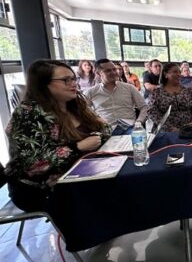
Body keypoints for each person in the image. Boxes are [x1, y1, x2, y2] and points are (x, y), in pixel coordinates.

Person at [4, 59, 110, 212]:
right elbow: (31, 164)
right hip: (38, 189)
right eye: (65, 80)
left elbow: (105, 128)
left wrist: (95, 138)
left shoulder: (74, 103)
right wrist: (78, 147)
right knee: (110, 192)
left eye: (73, 78)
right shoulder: (28, 113)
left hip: (79, 174)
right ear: (43, 84)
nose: (73, 83)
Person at [85, 59, 148, 133]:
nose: (113, 72)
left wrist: (138, 122)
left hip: (130, 128)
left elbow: (144, 107)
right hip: (106, 131)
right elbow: (83, 113)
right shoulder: (91, 92)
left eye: (114, 69)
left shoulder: (129, 88)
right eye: (108, 71)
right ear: (98, 73)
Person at [149, 62, 192, 132]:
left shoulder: (188, 90)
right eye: (175, 72)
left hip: (189, 129)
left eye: (179, 72)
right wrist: (169, 128)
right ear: (165, 74)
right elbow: (152, 111)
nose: (179, 74)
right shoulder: (157, 92)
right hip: (165, 130)